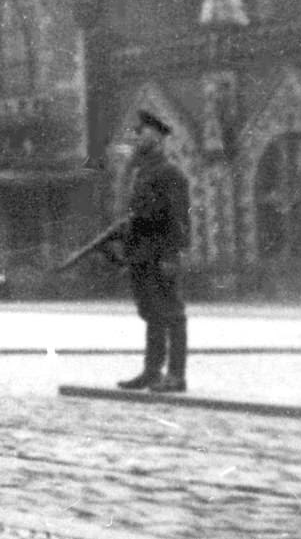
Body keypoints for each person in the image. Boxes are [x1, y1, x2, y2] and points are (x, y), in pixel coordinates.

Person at [116, 109, 191, 394]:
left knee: (172, 313)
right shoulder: (141, 171)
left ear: (158, 137)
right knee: (151, 312)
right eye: (136, 131)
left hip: (160, 253)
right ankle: (151, 371)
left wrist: (172, 255)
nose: (137, 136)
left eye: (143, 131)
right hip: (141, 253)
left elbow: (179, 217)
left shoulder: (169, 172)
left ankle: (176, 375)